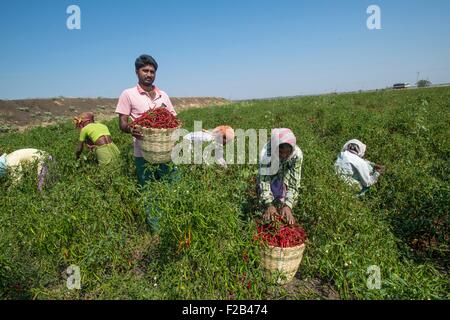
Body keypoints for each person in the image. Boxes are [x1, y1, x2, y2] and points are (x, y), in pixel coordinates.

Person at [115, 54, 178, 186]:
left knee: (173, 184)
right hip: (142, 151)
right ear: (137, 72)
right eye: (145, 71)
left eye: (152, 72)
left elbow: (173, 118)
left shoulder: (163, 95)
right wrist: (131, 129)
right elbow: (122, 124)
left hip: (165, 150)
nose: (149, 74)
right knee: (148, 188)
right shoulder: (128, 94)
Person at [257, 128, 303, 225]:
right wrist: (268, 204)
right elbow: (264, 180)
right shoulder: (266, 154)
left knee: (284, 192)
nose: (284, 155)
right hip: (270, 170)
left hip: (284, 172)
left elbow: (294, 182)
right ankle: (267, 208)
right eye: (280, 152)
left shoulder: (296, 155)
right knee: (265, 193)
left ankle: (282, 207)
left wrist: (288, 205)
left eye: (287, 152)